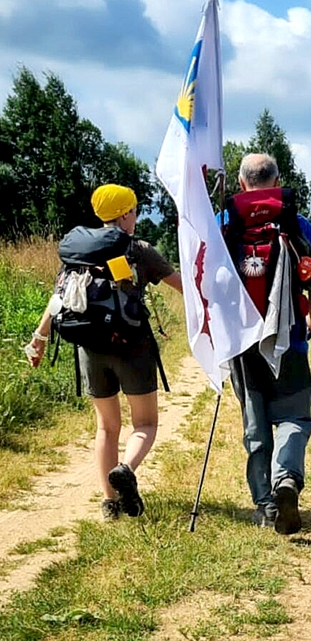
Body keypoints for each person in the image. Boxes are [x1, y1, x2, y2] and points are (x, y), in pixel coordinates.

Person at [27, 184, 183, 521]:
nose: (136, 216)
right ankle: (126, 469)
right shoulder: (138, 249)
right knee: (145, 423)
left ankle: (110, 504)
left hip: (90, 347)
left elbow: (58, 299)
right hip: (131, 346)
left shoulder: (79, 251)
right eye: (135, 210)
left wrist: (39, 338)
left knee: (106, 427)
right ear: (126, 213)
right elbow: (181, 285)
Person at [226, 153, 311, 535]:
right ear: (277, 180)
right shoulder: (297, 225)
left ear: (241, 183)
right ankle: (286, 480)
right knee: (294, 418)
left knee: (255, 423)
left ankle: (266, 505)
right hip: (290, 341)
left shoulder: (226, 224)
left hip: (242, 342)